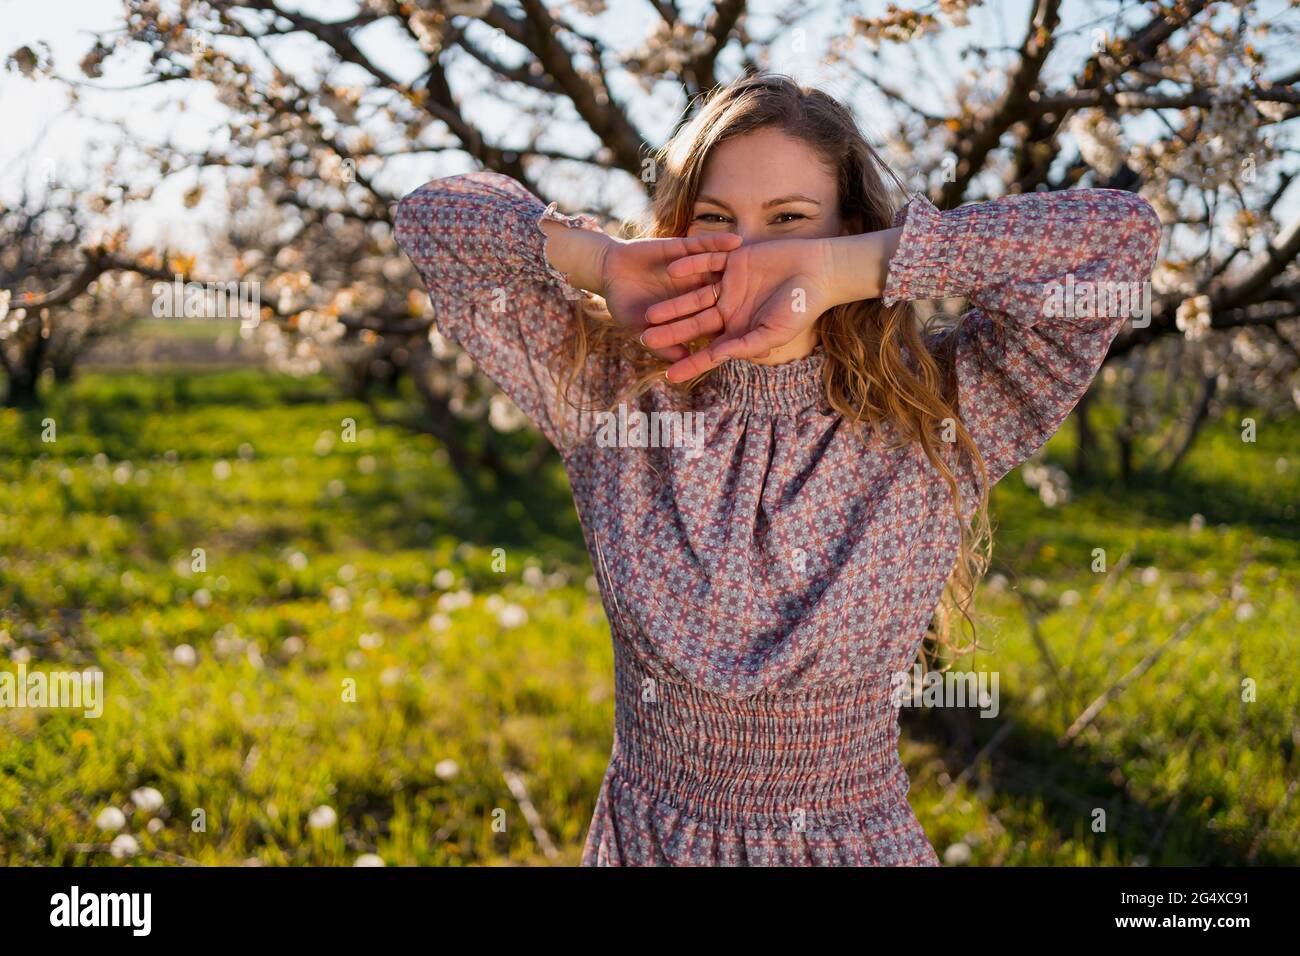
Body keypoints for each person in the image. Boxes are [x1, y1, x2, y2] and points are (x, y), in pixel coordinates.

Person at [393, 73, 1162, 866]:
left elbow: (1120, 237)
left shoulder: (944, 411)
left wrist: (847, 270)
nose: (750, 256)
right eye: (717, 221)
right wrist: (603, 262)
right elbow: (431, 217)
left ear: (849, 228)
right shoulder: (615, 395)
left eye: (790, 221)